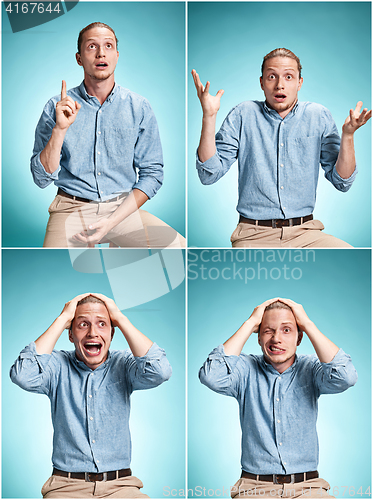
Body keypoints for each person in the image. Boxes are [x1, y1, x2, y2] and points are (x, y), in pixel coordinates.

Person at [192, 48, 371, 248]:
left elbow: (343, 182)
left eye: (288, 77)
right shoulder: (243, 114)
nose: (280, 85)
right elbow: (209, 175)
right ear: (261, 82)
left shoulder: (318, 115)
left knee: (349, 257)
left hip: (306, 233)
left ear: (299, 83)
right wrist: (209, 116)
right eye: (272, 77)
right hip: (253, 235)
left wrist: (348, 135)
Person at [31, 22, 185, 248]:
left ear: (117, 55)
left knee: (179, 249)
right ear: (79, 58)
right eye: (92, 47)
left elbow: (153, 173)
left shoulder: (139, 107)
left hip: (121, 210)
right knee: (54, 270)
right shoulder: (57, 106)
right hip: (71, 208)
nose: (101, 53)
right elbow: (40, 178)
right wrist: (60, 129)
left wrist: (112, 222)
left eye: (108, 46)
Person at [10, 293, 172, 498]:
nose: (93, 332)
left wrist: (120, 318)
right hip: (66, 488)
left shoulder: (124, 363)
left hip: (121, 487)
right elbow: (23, 375)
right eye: (83, 324)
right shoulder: (57, 365)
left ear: (112, 333)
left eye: (102, 324)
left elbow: (161, 371)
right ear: (70, 334)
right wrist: (61, 320)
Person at [199, 298, 357, 498]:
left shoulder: (312, 368)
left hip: (308, 487)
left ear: (299, 338)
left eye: (287, 330)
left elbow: (347, 377)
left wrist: (307, 324)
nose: (276, 339)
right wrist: (249, 324)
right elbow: (211, 376)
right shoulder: (245, 369)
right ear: (257, 337)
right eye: (268, 331)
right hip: (254, 488)